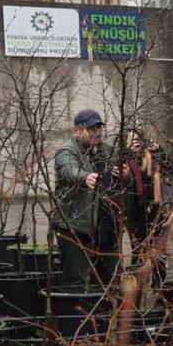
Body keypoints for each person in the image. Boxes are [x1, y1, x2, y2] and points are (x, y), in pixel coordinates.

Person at [50, 109, 119, 287]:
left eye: (98, 128)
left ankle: (104, 313)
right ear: (77, 131)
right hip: (75, 226)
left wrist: (125, 174)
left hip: (103, 226)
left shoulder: (105, 151)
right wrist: (84, 177)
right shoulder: (67, 151)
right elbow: (68, 170)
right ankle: (74, 312)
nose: (96, 133)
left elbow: (120, 173)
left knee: (109, 280)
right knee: (75, 280)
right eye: (91, 129)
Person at [122, 128, 170, 285]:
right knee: (138, 252)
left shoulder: (149, 158)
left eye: (137, 140)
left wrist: (160, 151)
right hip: (134, 214)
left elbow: (171, 169)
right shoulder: (123, 162)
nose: (134, 144)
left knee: (158, 252)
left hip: (154, 212)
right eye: (130, 141)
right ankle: (137, 290)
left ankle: (159, 289)